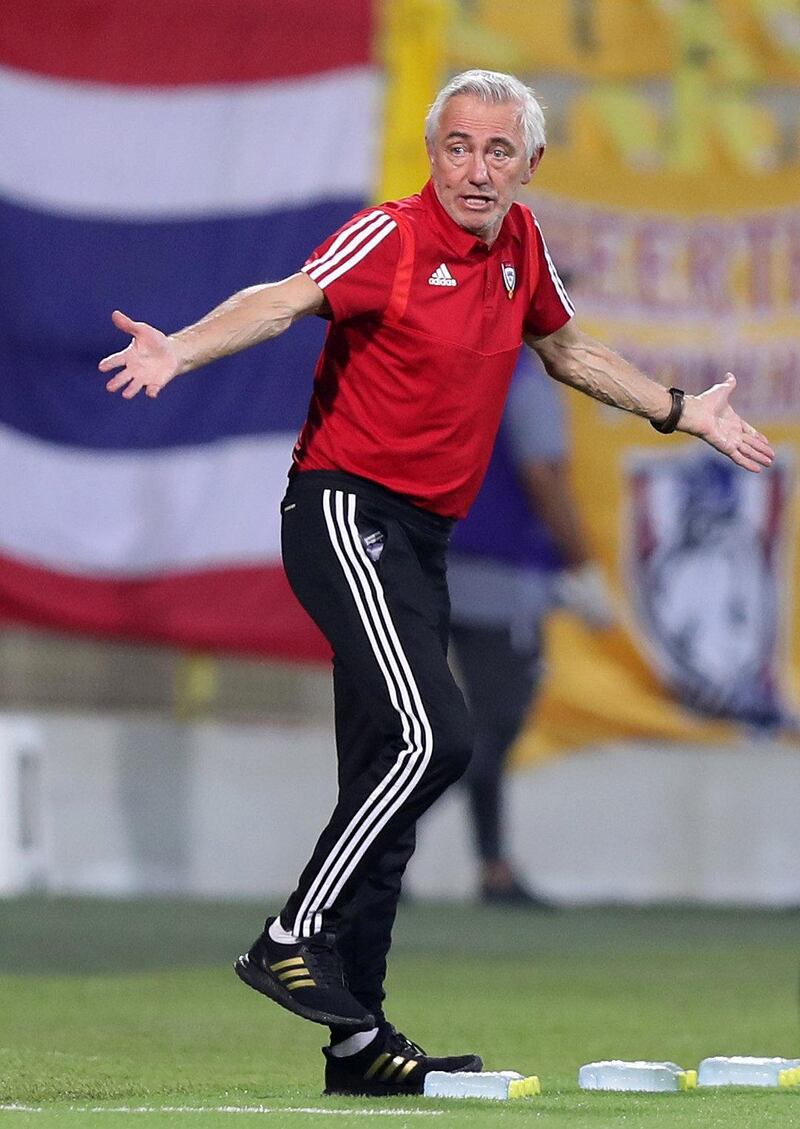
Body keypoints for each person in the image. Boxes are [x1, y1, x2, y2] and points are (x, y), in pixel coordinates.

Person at [98, 69, 774, 1096]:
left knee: (390, 770)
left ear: (528, 165)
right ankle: (291, 933)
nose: (474, 167)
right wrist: (181, 348)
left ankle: (356, 1041)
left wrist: (681, 409)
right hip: (342, 511)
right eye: (457, 146)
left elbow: (571, 351)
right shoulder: (391, 236)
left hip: (419, 537)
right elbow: (280, 299)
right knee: (434, 736)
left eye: (497, 150)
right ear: (431, 152)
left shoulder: (523, 248)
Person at [448, 347, 615, 906]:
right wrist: (581, 564)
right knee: (487, 731)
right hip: (502, 576)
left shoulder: (461, 361)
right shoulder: (523, 377)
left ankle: (484, 864)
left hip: (439, 559)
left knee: (458, 729)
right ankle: (374, 855)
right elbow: (542, 472)